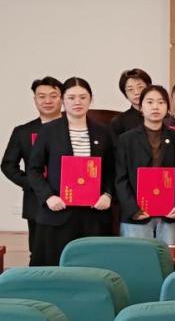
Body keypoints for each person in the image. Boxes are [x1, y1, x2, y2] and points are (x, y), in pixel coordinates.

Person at [27, 77, 114, 266]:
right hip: (58, 211)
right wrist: (48, 196)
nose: (77, 102)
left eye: (83, 97)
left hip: (93, 213)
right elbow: (34, 170)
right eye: (71, 97)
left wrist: (107, 194)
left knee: (92, 267)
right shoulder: (48, 131)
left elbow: (111, 169)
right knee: (54, 267)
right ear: (62, 100)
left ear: (91, 99)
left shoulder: (103, 132)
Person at [115, 85, 175, 244]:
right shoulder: (126, 139)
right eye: (150, 102)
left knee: (168, 256)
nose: (155, 107)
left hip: (170, 213)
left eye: (161, 102)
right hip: (137, 214)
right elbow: (120, 178)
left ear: (167, 107)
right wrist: (132, 209)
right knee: (138, 256)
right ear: (141, 107)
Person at [3, 76, 62, 257]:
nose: (47, 101)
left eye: (53, 96)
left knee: (70, 253)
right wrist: (33, 184)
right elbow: (8, 165)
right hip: (37, 202)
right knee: (38, 253)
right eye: (41, 96)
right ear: (35, 100)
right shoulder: (23, 131)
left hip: (70, 200)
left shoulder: (74, 128)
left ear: (62, 98)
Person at [109, 68, 153, 136]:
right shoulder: (118, 122)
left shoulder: (162, 116)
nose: (136, 92)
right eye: (130, 89)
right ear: (125, 94)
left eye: (140, 87)